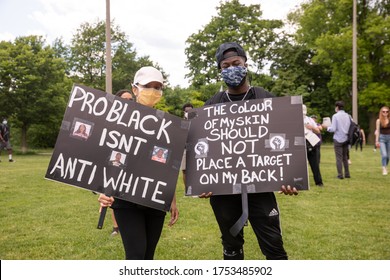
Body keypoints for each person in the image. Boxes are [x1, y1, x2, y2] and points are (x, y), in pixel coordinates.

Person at [199, 42, 298, 260]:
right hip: (224, 191)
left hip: (261, 188)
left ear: (246, 65)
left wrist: (290, 176)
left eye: (236, 63)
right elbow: (202, 149)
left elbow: (285, 142)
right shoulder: (211, 106)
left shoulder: (267, 99)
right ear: (220, 71)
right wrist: (201, 182)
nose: (232, 69)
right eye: (225, 66)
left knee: (274, 248)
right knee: (231, 248)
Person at [98, 66, 179, 259]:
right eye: (147, 86)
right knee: (135, 255)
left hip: (156, 200)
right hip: (125, 199)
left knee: (148, 256)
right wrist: (101, 191)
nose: (153, 91)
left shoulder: (168, 126)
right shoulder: (116, 121)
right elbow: (102, 158)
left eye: (157, 87)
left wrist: (172, 200)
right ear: (135, 89)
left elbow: (167, 166)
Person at [323, 101, 351, 179]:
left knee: (339, 158)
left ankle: (340, 175)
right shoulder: (348, 116)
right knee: (345, 157)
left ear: (337, 107)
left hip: (338, 138)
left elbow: (333, 129)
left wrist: (326, 127)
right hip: (346, 138)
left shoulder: (335, 116)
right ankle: (347, 174)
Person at [303, 108, 323, 187]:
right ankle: (301, 182)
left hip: (311, 142)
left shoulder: (310, 119)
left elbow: (318, 131)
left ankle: (319, 182)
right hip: (300, 143)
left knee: (315, 164)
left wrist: (312, 127)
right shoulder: (295, 118)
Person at [180, 103, 193, 186]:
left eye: (190, 111)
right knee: (185, 170)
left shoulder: (198, 121)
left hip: (196, 148)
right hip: (185, 148)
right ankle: (187, 190)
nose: (188, 112)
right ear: (184, 111)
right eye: (187, 111)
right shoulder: (181, 122)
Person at [375, 106, 390, 175]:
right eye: (383, 112)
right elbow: (377, 131)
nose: (385, 113)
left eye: (387, 111)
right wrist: (376, 141)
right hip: (382, 138)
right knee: (384, 155)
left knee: (388, 156)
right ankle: (384, 168)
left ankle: (385, 166)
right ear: (381, 112)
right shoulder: (378, 120)